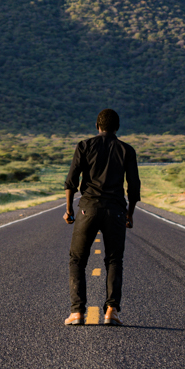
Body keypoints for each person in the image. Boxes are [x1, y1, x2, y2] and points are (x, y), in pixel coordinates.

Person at [63, 108, 141, 326]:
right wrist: (130, 213)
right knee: (114, 260)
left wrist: (69, 209)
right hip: (115, 210)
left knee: (77, 260)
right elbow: (133, 187)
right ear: (117, 127)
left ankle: (77, 312)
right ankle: (111, 312)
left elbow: (71, 181)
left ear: (97, 126)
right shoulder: (127, 150)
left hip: (88, 208)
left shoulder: (84, 146)